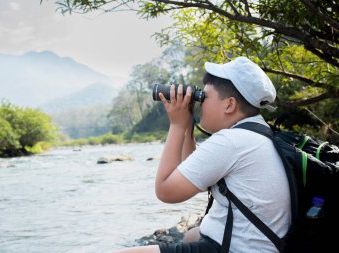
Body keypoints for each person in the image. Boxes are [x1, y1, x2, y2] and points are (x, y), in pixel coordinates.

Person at [115, 56, 291, 253]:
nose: (199, 103)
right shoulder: (257, 134)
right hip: (258, 246)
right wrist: (187, 128)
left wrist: (176, 125)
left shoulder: (231, 142)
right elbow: (196, 180)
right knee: (192, 235)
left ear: (229, 105)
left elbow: (166, 191)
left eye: (204, 97)